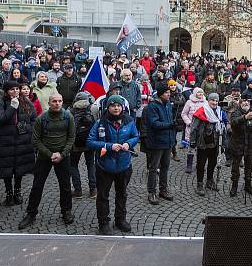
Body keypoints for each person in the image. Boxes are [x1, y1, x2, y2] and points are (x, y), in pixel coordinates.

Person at [18, 93, 75, 229]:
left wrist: (62, 154)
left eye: (60, 101)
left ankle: (66, 211)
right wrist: (50, 154)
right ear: (49, 103)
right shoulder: (41, 119)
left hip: (63, 157)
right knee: (37, 186)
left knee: (66, 186)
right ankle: (31, 213)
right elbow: (36, 140)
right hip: (44, 157)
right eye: (54, 101)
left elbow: (71, 138)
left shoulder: (68, 117)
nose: (57, 103)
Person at [87, 94, 139, 235]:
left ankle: (120, 220)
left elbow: (135, 136)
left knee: (122, 194)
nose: (116, 108)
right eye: (113, 105)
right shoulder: (100, 123)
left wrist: (129, 143)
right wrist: (109, 146)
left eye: (118, 105)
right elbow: (90, 141)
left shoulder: (129, 121)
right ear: (108, 107)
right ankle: (103, 222)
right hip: (105, 166)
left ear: (122, 107)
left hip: (124, 165)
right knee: (103, 195)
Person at [0, 81, 37, 206]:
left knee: (20, 167)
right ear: (6, 91)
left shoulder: (26, 102)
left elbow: (33, 119)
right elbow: (1, 119)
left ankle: (17, 191)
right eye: (12, 89)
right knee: (7, 167)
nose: (15, 91)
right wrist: (12, 107)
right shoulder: (0, 103)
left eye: (17, 89)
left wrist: (28, 130)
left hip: (22, 140)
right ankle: (9, 192)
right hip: (6, 141)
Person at [143, 86, 176, 204]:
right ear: (160, 94)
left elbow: (170, 121)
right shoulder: (152, 106)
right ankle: (151, 192)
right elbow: (154, 123)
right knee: (153, 168)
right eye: (166, 92)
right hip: (157, 142)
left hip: (167, 141)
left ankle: (163, 189)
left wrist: (173, 132)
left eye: (169, 92)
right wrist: (170, 125)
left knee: (165, 167)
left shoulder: (168, 105)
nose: (169, 94)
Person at [190, 93, 227, 196]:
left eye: (216, 101)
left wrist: (223, 143)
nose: (215, 103)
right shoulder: (201, 111)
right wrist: (192, 142)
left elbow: (224, 126)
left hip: (215, 143)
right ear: (208, 100)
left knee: (212, 163)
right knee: (201, 165)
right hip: (203, 143)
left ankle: (210, 181)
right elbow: (193, 128)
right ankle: (200, 184)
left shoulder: (220, 112)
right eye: (213, 100)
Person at [228, 94, 252, 196]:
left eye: (248, 101)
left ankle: (248, 185)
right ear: (240, 103)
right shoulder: (235, 112)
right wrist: (244, 117)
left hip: (249, 144)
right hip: (237, 144)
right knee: (235, 167)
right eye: (244, 101)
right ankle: (234, 186)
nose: (246, 103)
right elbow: (233, 123)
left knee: (249, 166)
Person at [70, 92, 97, 199]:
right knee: (91, 165)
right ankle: (93, 190)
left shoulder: (71, 111)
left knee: (73, 165)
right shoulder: (92, 110)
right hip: (89, 142)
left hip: (75, 144)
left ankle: (78, 190)